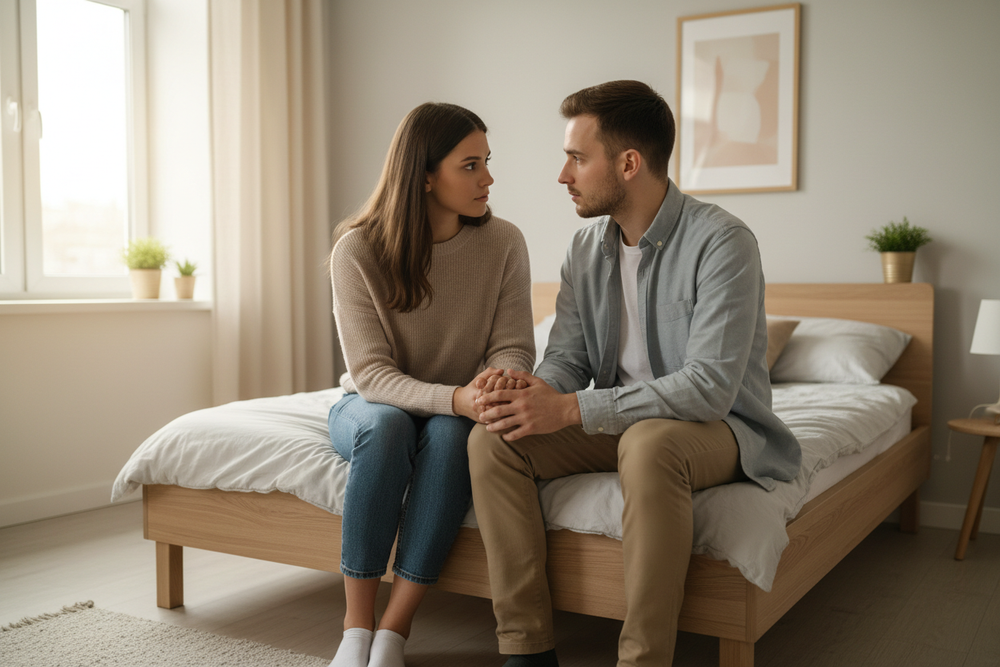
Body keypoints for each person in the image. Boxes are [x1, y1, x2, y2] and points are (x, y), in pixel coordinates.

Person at [469, 80, 802, 667]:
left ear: (628, 163)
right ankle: (525, 649)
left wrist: (572, 410)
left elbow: (708, 386)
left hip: (718, 428)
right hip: (617, 420)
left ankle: (642, 660)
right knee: (493, 438)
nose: (563, 175)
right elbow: (569, 357)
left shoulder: (723, 242)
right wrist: (531, 391)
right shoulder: (583, 250)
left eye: (576, 158)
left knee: (650, 444)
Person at [327, 102, 534, 667]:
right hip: (369, 405)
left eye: (487, 162)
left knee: (448, 437)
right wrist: (457, 397)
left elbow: (515, 344)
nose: (488, 178)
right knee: (389, 427)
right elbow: (371, 376)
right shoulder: (357, 250)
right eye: (470, 165)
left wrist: (495, 379)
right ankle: (355, 631)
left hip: (456, 409)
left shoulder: (505, 243)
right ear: (423, 173)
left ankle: (394, 632)